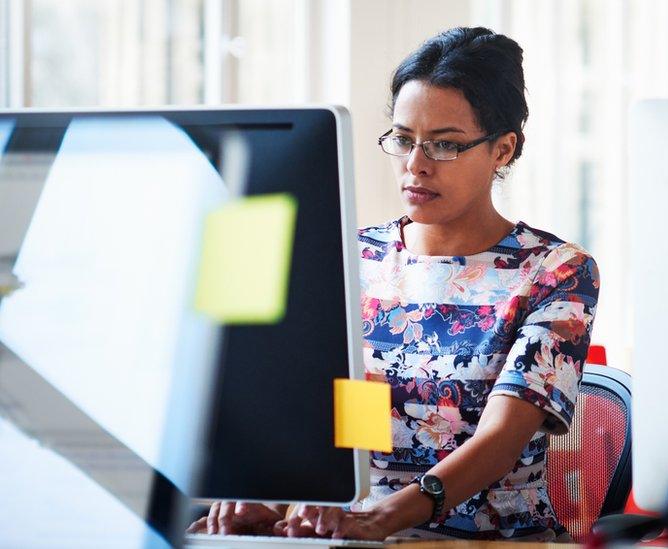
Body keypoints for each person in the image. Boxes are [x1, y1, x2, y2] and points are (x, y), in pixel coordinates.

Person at [188, 26, 599, 542]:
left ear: (502, 149)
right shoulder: (355, 257)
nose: (415, 166)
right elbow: (352, 418)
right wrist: (270, 502)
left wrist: (387, 517)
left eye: (445, 145)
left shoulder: (556, 271)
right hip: (354, 534)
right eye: (404, 139)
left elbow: (501, 440)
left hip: (491, 541)